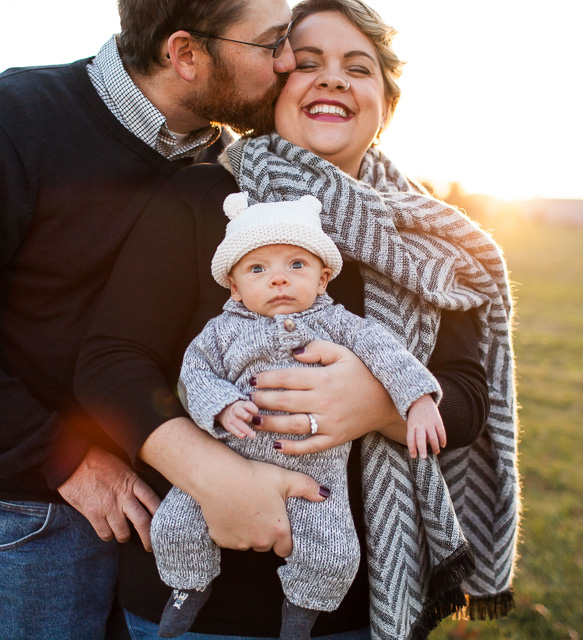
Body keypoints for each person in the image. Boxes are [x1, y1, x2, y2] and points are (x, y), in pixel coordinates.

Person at [0, 0, 319, 637]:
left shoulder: (232, 169)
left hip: (164, 511)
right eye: (272, 44)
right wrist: (64, 456)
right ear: (185, 54)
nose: (290, 61)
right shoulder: (12, 120)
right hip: (27, 511)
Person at [75, 0, 519, 638]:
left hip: (362, 605)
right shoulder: (203, 200)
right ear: (273, 87)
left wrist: (379, 405)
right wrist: (213, 469)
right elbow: (111, 364)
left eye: (358, 68)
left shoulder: (426, 242)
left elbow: (471, 397)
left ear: (386, 104)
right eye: (307, 63)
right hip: (207, 605)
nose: (334, 79)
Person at [152, 192, 450, 640]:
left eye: (296, 265)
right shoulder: (220, 331)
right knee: (173, 524)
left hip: (317, 475)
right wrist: (222, 405)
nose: (278, 280)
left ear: (323, 278)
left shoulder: (340, 324)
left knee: (335, 555)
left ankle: (300, 617)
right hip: (229, 462)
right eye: (258, 269)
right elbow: (194, 375)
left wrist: (419, 399)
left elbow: (388, 353)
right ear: (234, 286)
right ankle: (187, 586)